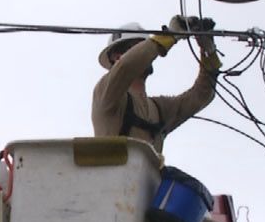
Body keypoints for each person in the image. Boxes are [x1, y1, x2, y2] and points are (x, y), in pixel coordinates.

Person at [92, 15, 221, 153]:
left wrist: (209, 52)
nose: (148, 53)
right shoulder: (106, 94)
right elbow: (127, 66)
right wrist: (169, 36)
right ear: (117, 57)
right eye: (138, 47)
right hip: (116, 173)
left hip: (148, 174)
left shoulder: (158, 109)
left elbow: (201, 95)